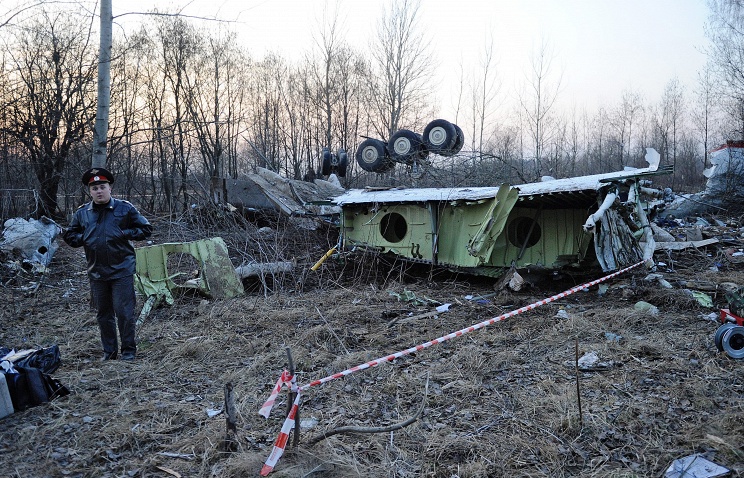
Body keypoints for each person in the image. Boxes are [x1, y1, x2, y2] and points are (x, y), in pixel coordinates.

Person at [62, 168, 153, 361]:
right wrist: (83, 237)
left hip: (122, 269)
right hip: (97, 272)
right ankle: (109, 352)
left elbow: (145, 229)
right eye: (94, 188)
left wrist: (125, 233)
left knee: (124, 313)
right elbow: (70, 236)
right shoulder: (82, 213)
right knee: (104, 315)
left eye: (102, 187)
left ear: (110, 188)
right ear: (90, 191)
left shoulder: (125, 208)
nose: (99, 191)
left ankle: (128, 351)